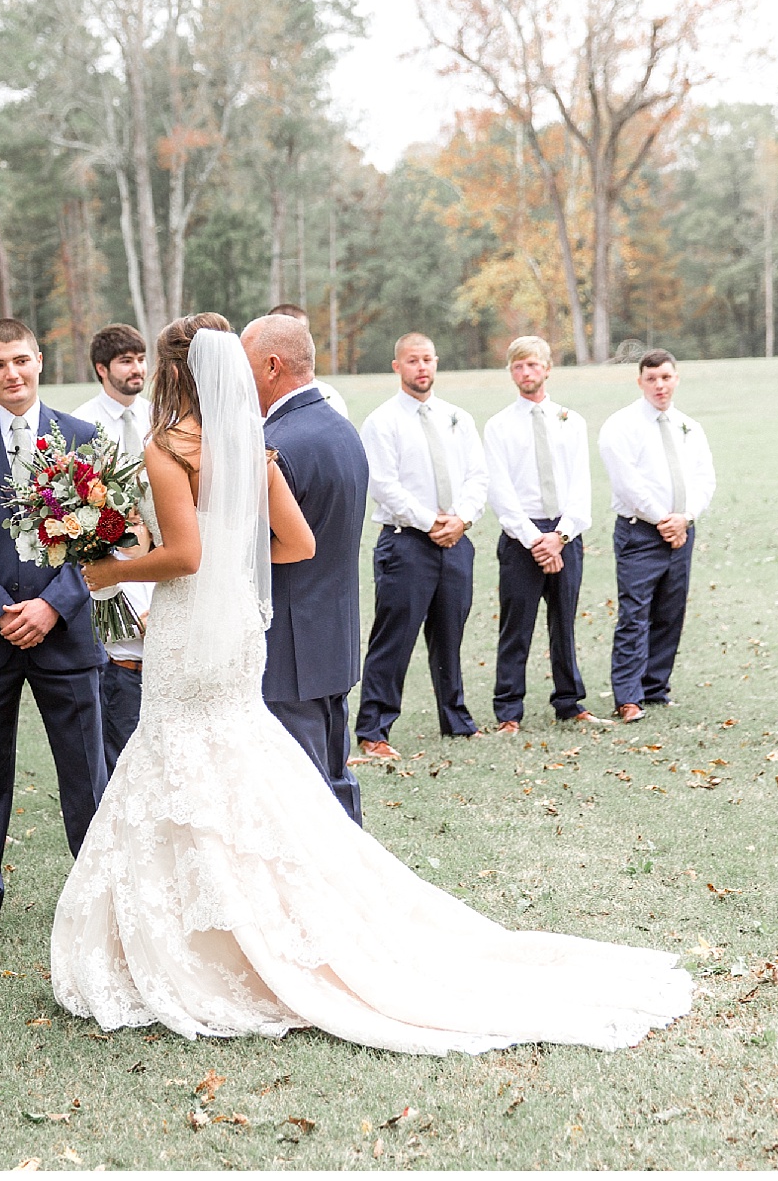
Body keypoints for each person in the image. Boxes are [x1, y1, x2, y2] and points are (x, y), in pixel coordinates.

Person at [52, 315, 693, 1054]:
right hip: (235, 633)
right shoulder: (250, 448)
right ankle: (247, 920)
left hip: (191, 628)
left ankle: (203, 940)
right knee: (234, 758)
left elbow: (185, 556)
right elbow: (298, 543)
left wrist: (111, 569)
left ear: (171, 374)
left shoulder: (169, 449)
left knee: (183, 753)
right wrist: (232, 543)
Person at [0, 318, 108, 945]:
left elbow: (102, 540)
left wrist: (52, 607)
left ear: (41, 361)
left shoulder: (82, 436)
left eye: (22, 361)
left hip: (63, 632)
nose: (12, 374)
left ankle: (98, 894)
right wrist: (3, 610)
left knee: (86, 770)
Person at [243, 313, 369, 824]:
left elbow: (266, 547)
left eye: (247, 369)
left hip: (290, 646)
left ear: (272, 366)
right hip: (331, 634)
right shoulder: (341, 429)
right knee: (334, 777)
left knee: (305, 789)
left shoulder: (278, 445)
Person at [353, 333, 487, 757]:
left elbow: (478, 476)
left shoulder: (458, 418)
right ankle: (374, 730)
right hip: (406, 543)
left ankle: (457, 720)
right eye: (412, 360)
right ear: (397, 366)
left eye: (428, 359)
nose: (422, 368)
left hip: (456, 540)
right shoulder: (382, 421)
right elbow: (384, 485)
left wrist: (461, 519)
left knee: (450, 634)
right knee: (394, 638)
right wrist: (431, 522)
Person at [483, 337, 611, 732]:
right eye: (519, 367)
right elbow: (500, 490)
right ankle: (508, 710)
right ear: (511, 373)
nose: (527, 373)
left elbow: (580, 483)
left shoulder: (570, 421)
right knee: (516, 624)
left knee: (564, 622)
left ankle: (569, 701)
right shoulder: (499, 426)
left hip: (564, 532)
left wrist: (562, 534)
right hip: (523, 536)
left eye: (533, 365)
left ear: (548, 368)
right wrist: (534, 539)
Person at [597, 349, 717, 723]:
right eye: (652, 379)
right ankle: (628, 697)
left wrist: (686, 517)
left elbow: (704, 476)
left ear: (676, 378)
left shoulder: (688, 426)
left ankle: (655, 688)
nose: (660, 385)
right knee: (636, 614)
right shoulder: (621, 425)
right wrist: (663, 519)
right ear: (640, 382)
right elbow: (627, 481)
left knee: (670, 611)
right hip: (641, 533)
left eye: (666, 377)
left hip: (682, 530)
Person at [68, 323, 155, 779]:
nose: (137, 368)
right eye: (125, 360)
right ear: (102, 369)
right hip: (109, 579)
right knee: (118, 705)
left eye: (141, 358)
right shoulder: (82, 425)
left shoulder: (160, 415)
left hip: (160, 566)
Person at [266, 302, 349, 420]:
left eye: (300, 336)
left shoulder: (329, 399)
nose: (292, 345)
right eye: (282, 338)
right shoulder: (252, 403)